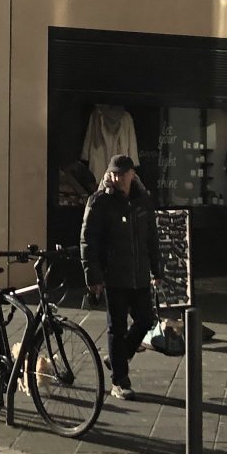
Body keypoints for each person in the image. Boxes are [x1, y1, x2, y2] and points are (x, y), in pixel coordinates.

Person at [80, 154, 163, 401]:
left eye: (122, 174)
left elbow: (152, 238)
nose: (117, 179)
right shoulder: (100, 201)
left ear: (132, 175)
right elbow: (88, 241)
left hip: (139, 274)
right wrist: (93, 277)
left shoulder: (142, 201)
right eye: (113, 174)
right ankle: (120, 381)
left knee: (145, 320)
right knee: (116, 328)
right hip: (114, 275)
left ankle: (119, 357)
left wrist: (157, 270)